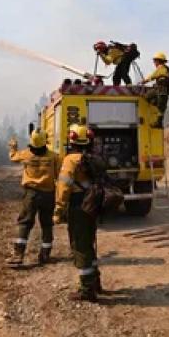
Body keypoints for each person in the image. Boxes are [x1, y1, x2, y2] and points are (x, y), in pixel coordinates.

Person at [53, 124, 106, 301]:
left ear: (72, 139)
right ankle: (95, 282)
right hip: (92, 204)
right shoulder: (92, 158)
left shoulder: (71, 160)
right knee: (89, 243)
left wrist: (58, 210)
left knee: (80, 246)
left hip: (78, 206)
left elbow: (63, 186)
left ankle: (87, 290)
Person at [7, 130, 60, 266]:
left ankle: (18, 255)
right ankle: (45, 255)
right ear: (45, 141)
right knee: (47, 224)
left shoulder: (26, 154)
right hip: (48, 194)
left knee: (25, 223)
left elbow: (13, 157)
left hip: (31, 194)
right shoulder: (54, 156)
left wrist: (13, 147)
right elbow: (59, 175)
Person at [141, 51, 169, 128]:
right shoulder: (166, 69)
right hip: (163, 91)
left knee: (147, 98)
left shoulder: (161, 68)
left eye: (155, 61)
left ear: (158, 61)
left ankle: (159, 123)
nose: (154, 62)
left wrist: (144, 81)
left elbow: (152, 75)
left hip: (160, 90)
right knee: (160, 107)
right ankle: (159, 123)